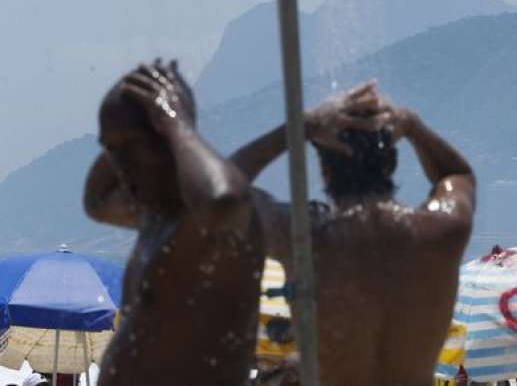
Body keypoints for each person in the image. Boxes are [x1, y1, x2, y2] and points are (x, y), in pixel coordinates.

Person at [245, 81, 476, 385]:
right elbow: (457, 175)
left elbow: (220, 195)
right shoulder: (438, 233)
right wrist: (411, 124)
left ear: (324, 171)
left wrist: (301, 127)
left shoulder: (303, 236)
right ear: (392, 161)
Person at [83, 61, 265, 385]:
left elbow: (224, 197)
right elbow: (95, 201)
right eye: (112, 150)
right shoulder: (154, 219)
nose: (119, 167)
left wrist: (177, 123)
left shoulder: (206, 230)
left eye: (131, 148)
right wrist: (123, 127)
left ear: (168, 144)